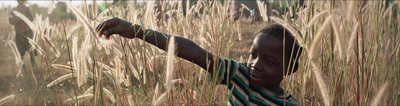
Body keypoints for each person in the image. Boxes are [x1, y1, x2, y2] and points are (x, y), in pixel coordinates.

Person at [96, 18, 303, 105]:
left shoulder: (291, 104)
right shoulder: (239, 75)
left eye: (269, 61)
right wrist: (137, 31)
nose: (255, 64)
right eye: (253, 54)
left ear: (291, 68)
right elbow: (193, 52)